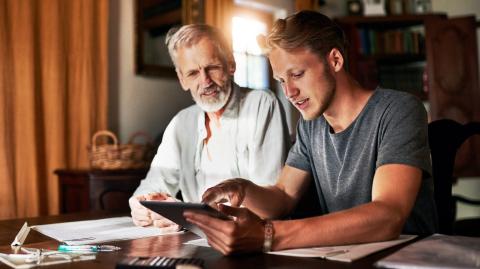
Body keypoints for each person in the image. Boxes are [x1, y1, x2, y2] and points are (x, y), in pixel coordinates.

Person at [184, 10, 438, 255]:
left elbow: (388, 215)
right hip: (344, 257)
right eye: (282, 80)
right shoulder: (310, 125)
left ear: (335, 60)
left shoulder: (399, 110)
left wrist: (268, 235)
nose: (289, 92)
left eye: (297, 74)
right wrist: (242, 187)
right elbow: (283, 196)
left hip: (406, 258)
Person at [128, 24, 290, 230]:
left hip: (253, 241)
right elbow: (155, 183)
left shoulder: (261, 104)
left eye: (212, 68)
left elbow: (268, 206)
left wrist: (187, 215)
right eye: (193, 73)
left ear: (231, 64)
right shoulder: (181, 122)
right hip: (199, 243)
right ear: (182, 79)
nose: (205, 81)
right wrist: (142, 204)